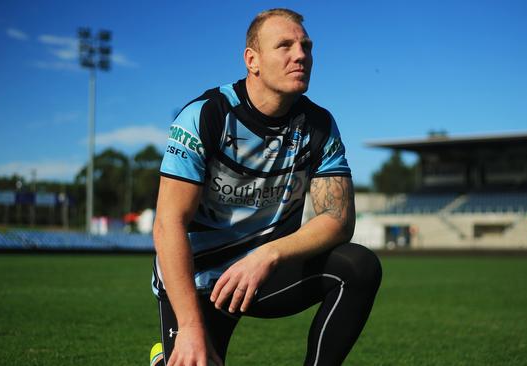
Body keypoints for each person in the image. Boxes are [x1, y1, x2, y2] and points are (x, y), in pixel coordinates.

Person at [151, 8, 382, 366]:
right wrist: (190, 327)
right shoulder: (206, 116)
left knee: (358, 266)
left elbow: (338, 220)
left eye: (306, 46)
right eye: (285, 46)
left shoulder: (319, 125)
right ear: (252, 60)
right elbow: (169, 225)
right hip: (197, 278)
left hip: (264, 274)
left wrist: (267, 255)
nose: (301, 55)